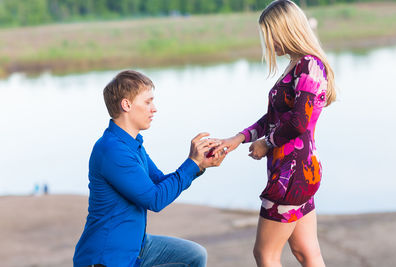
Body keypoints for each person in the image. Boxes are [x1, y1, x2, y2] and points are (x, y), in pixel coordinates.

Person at [214, 1, 336, 266]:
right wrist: (239, 139)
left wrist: (266, 144)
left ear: (287, 30)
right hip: (298, 172)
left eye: (271, 35)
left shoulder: (308, 65)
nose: (269, 43)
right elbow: (275, 118)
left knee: (265, 254)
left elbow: (299, 122)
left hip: (290, 175)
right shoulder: (297, 64)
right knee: (307, 252)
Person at [73, 70, 226, 267]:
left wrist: (199, 165)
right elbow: (154, 199)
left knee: (194, 256)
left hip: (137, 245)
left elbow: (159, 181)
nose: (154, 109)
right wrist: (192, 163)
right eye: (148, 102)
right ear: (126, 104)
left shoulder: (132, 143)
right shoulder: (112, 150)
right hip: (109, 257)